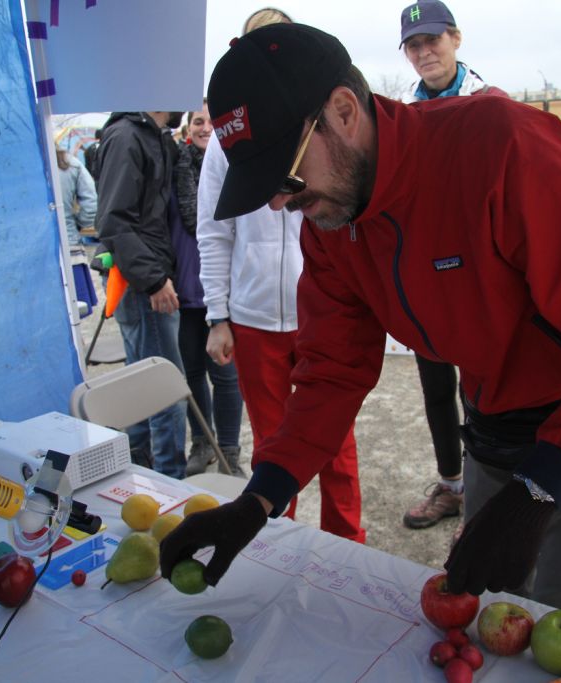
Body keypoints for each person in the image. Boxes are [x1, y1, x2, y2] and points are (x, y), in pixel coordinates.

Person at [162, 23, 561, 622]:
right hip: (492, 421)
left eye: (286, 176)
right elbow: (332, 372)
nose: (280, 204)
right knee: (489, 615)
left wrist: (541, 489)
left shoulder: (501, 148)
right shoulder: (333, 221)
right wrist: (260, 497)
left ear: (343, 111)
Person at [196, 7, 365, 542]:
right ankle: (277, 544)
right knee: (273, 443)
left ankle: (346, 543)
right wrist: (218, 314)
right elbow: (214, 230)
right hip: (253, 318)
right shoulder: (228, 141)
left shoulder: (317, 124)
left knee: (335, 442)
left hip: (319, 313)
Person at [396, 0, 508, 531]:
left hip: (483, 277)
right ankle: (453, 485)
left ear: (456, 39)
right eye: (414, 45)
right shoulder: (400, 112)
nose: (424, 53)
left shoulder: (490, 102)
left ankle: (492, 495)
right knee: (437, 389)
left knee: (487, 390)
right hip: (426, 277)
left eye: (432, 41)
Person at [95, 110, 188, 479]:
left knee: (142, 384)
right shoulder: (127, 136)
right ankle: (170, 484)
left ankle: (141, 473)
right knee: (166, 390)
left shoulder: (150, 135)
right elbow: (113, 221)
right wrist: (153, 280)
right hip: (144, 286)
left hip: (145, 279)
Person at [172, 103, 245, 477]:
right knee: (192, 372)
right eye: (198, 122)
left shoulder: (234, 166)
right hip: (186, 293)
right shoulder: (175, 169)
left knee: (228, 377)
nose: (206, 128)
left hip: (223, 293)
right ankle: (202, 442)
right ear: (188, 130)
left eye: (211, 122)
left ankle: (229, 452)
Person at [55, 146, 98, 317]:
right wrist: (77, 224)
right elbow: (91, 204)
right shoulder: (69, 162)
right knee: (75, 315)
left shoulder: (19, 165)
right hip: (69, 246)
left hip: (36, 255)